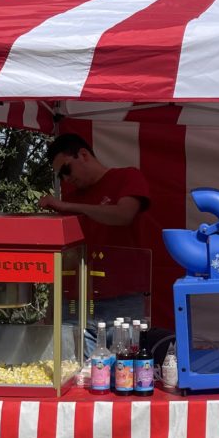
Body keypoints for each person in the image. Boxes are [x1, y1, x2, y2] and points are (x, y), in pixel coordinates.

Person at [38, 132, 152, 330]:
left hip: (122, 298)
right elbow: (64, 255)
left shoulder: (127, 176)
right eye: (60, 175)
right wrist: (51, 312)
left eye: (67, 169)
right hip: (75, 301)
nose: (66, 178)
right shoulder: (70, 197)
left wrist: (70, 207)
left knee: (125, 359)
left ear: (83, 155)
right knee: (72, 361)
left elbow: (124, 215)